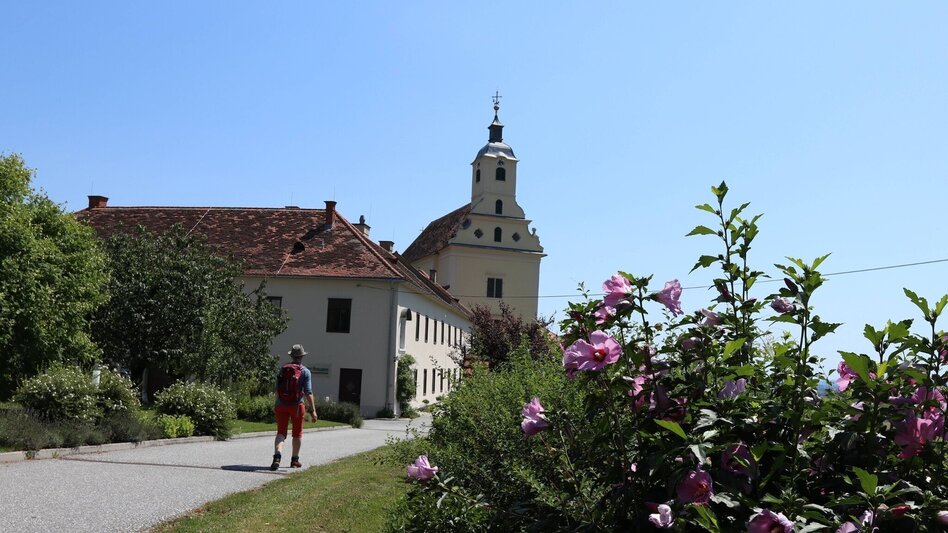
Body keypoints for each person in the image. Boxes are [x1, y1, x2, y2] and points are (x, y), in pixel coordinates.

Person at [271, 344, 318, 470]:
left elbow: (276, 389)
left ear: (291, 356)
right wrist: (313, 410)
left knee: (281, 432)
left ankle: (277, 456)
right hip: (297, 406)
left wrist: (277, 403)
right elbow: (308, 392)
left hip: (281, 405)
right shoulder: (305, 371)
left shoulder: (283, 369)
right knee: (297, 434)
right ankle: (294, 460)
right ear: (302, 356)